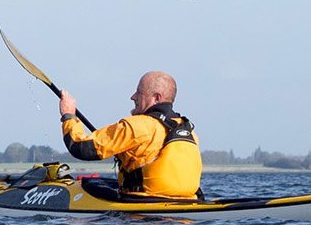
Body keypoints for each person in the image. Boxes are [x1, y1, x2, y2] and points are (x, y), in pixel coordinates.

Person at [56, 71, 203, 199]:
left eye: (139, 92)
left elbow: (80, 147)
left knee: (86, 185)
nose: (133, 97)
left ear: (156, 98)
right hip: (188, 202)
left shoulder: (137, 126)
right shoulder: (189, 132)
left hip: (140, 212)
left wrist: (68, 116)